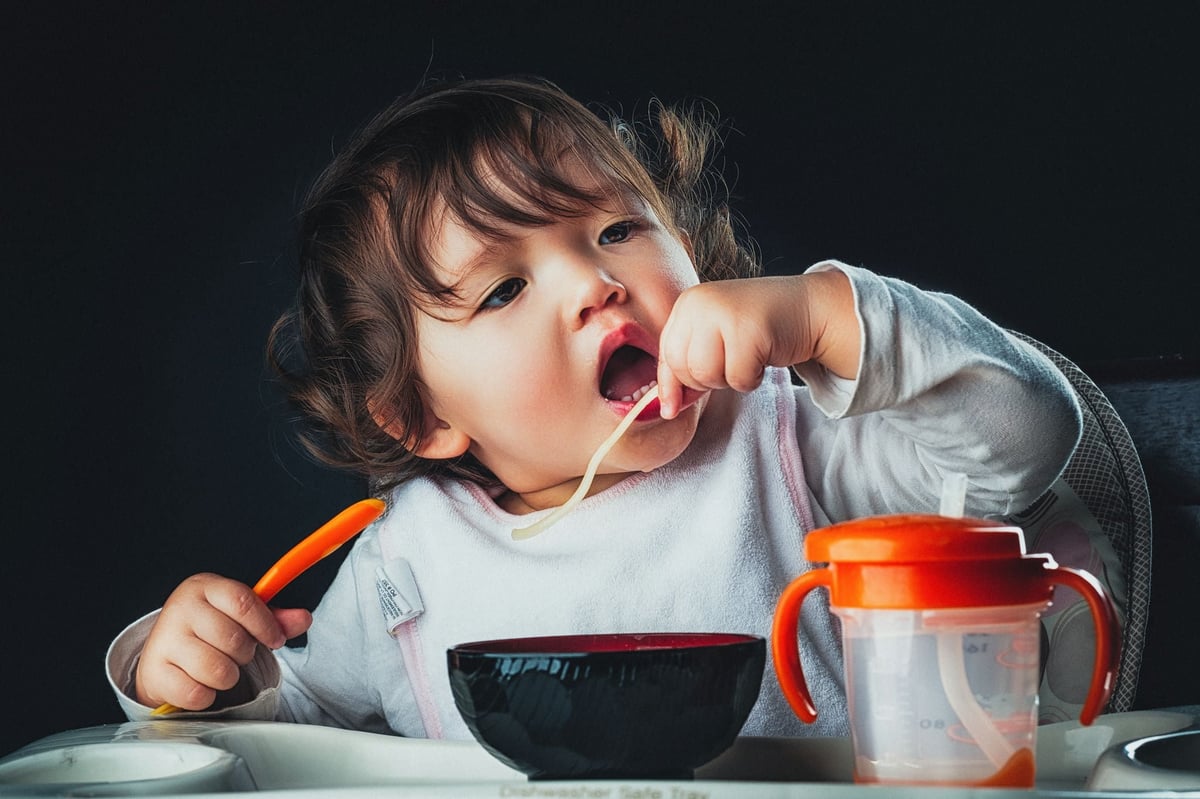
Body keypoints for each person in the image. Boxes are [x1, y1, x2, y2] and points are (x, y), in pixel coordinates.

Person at [107, 75, 1082, 739]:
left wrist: (832, 317)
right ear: (419, 418)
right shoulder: (410, 561)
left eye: (618, 227)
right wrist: (209, 675)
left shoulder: (792, 439)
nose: (594, 282)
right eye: (502, 289)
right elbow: (300, 735)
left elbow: (1030, 442)